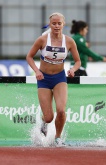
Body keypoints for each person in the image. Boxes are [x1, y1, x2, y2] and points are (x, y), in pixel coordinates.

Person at [26, 12, 81, 146]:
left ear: (64, 24)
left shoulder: (69, 41)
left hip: (59, 78)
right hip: (43, 79)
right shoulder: (42, 40)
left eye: (59, 23)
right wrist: (37, 71)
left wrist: (73, 70)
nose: (56, 26)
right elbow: (29, 57)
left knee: (61, 110)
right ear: (50, 24)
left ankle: (58, 138)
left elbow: (78, 61)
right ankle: (44, 122)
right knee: (49, 117)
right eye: (54, 23)